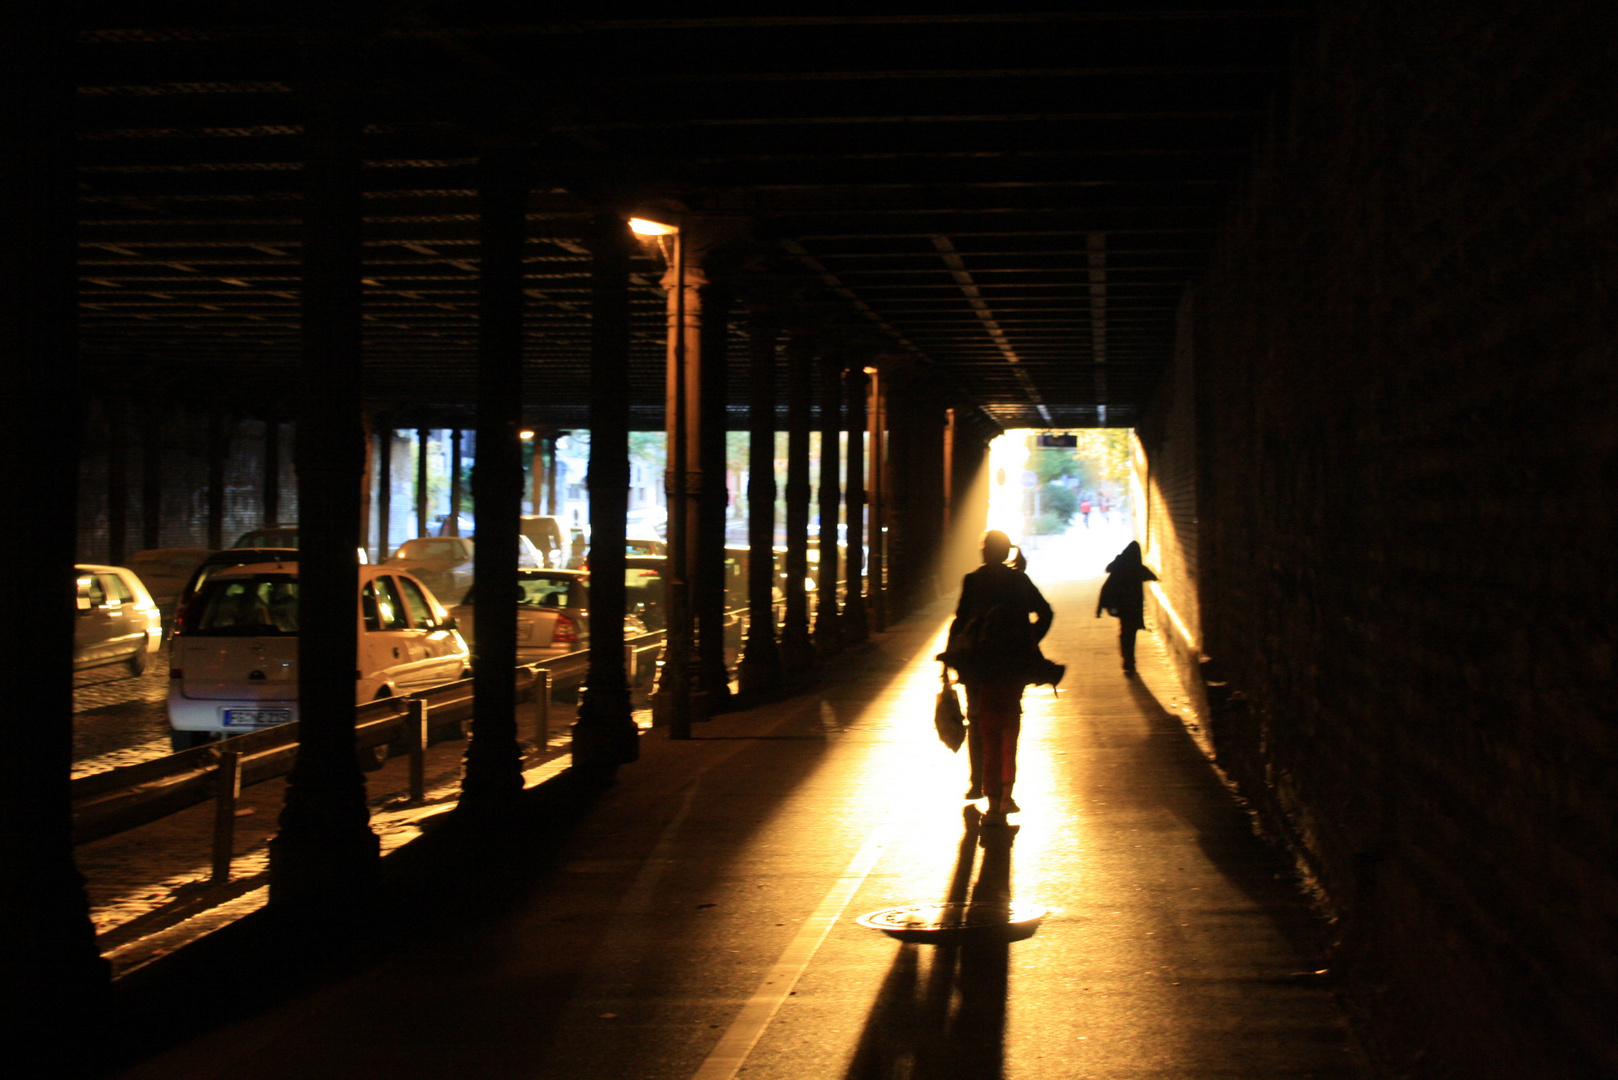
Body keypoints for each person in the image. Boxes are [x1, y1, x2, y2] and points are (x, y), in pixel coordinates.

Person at [943, 530, 1055, 825]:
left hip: (977, 663)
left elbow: (960, 619)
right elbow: (1046, 612)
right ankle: (1004, 791)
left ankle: (979, 782)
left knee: (979, 721)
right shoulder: (1019, 581)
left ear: (987, 551)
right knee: (1008, 723)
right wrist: (1030, 642)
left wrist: (950, 655)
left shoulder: (974, 580)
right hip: (1012, 664)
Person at [1096, 540, 1157, 674]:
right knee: (1131, 633)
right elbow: (1152, 576)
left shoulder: (1119, 565)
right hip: (1133, 608)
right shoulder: (1137, 567)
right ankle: (1130, 659)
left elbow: (1106, 586)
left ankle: (1126, 658)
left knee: (1124, 632)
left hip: (1122, 608)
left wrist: (1099, 609)